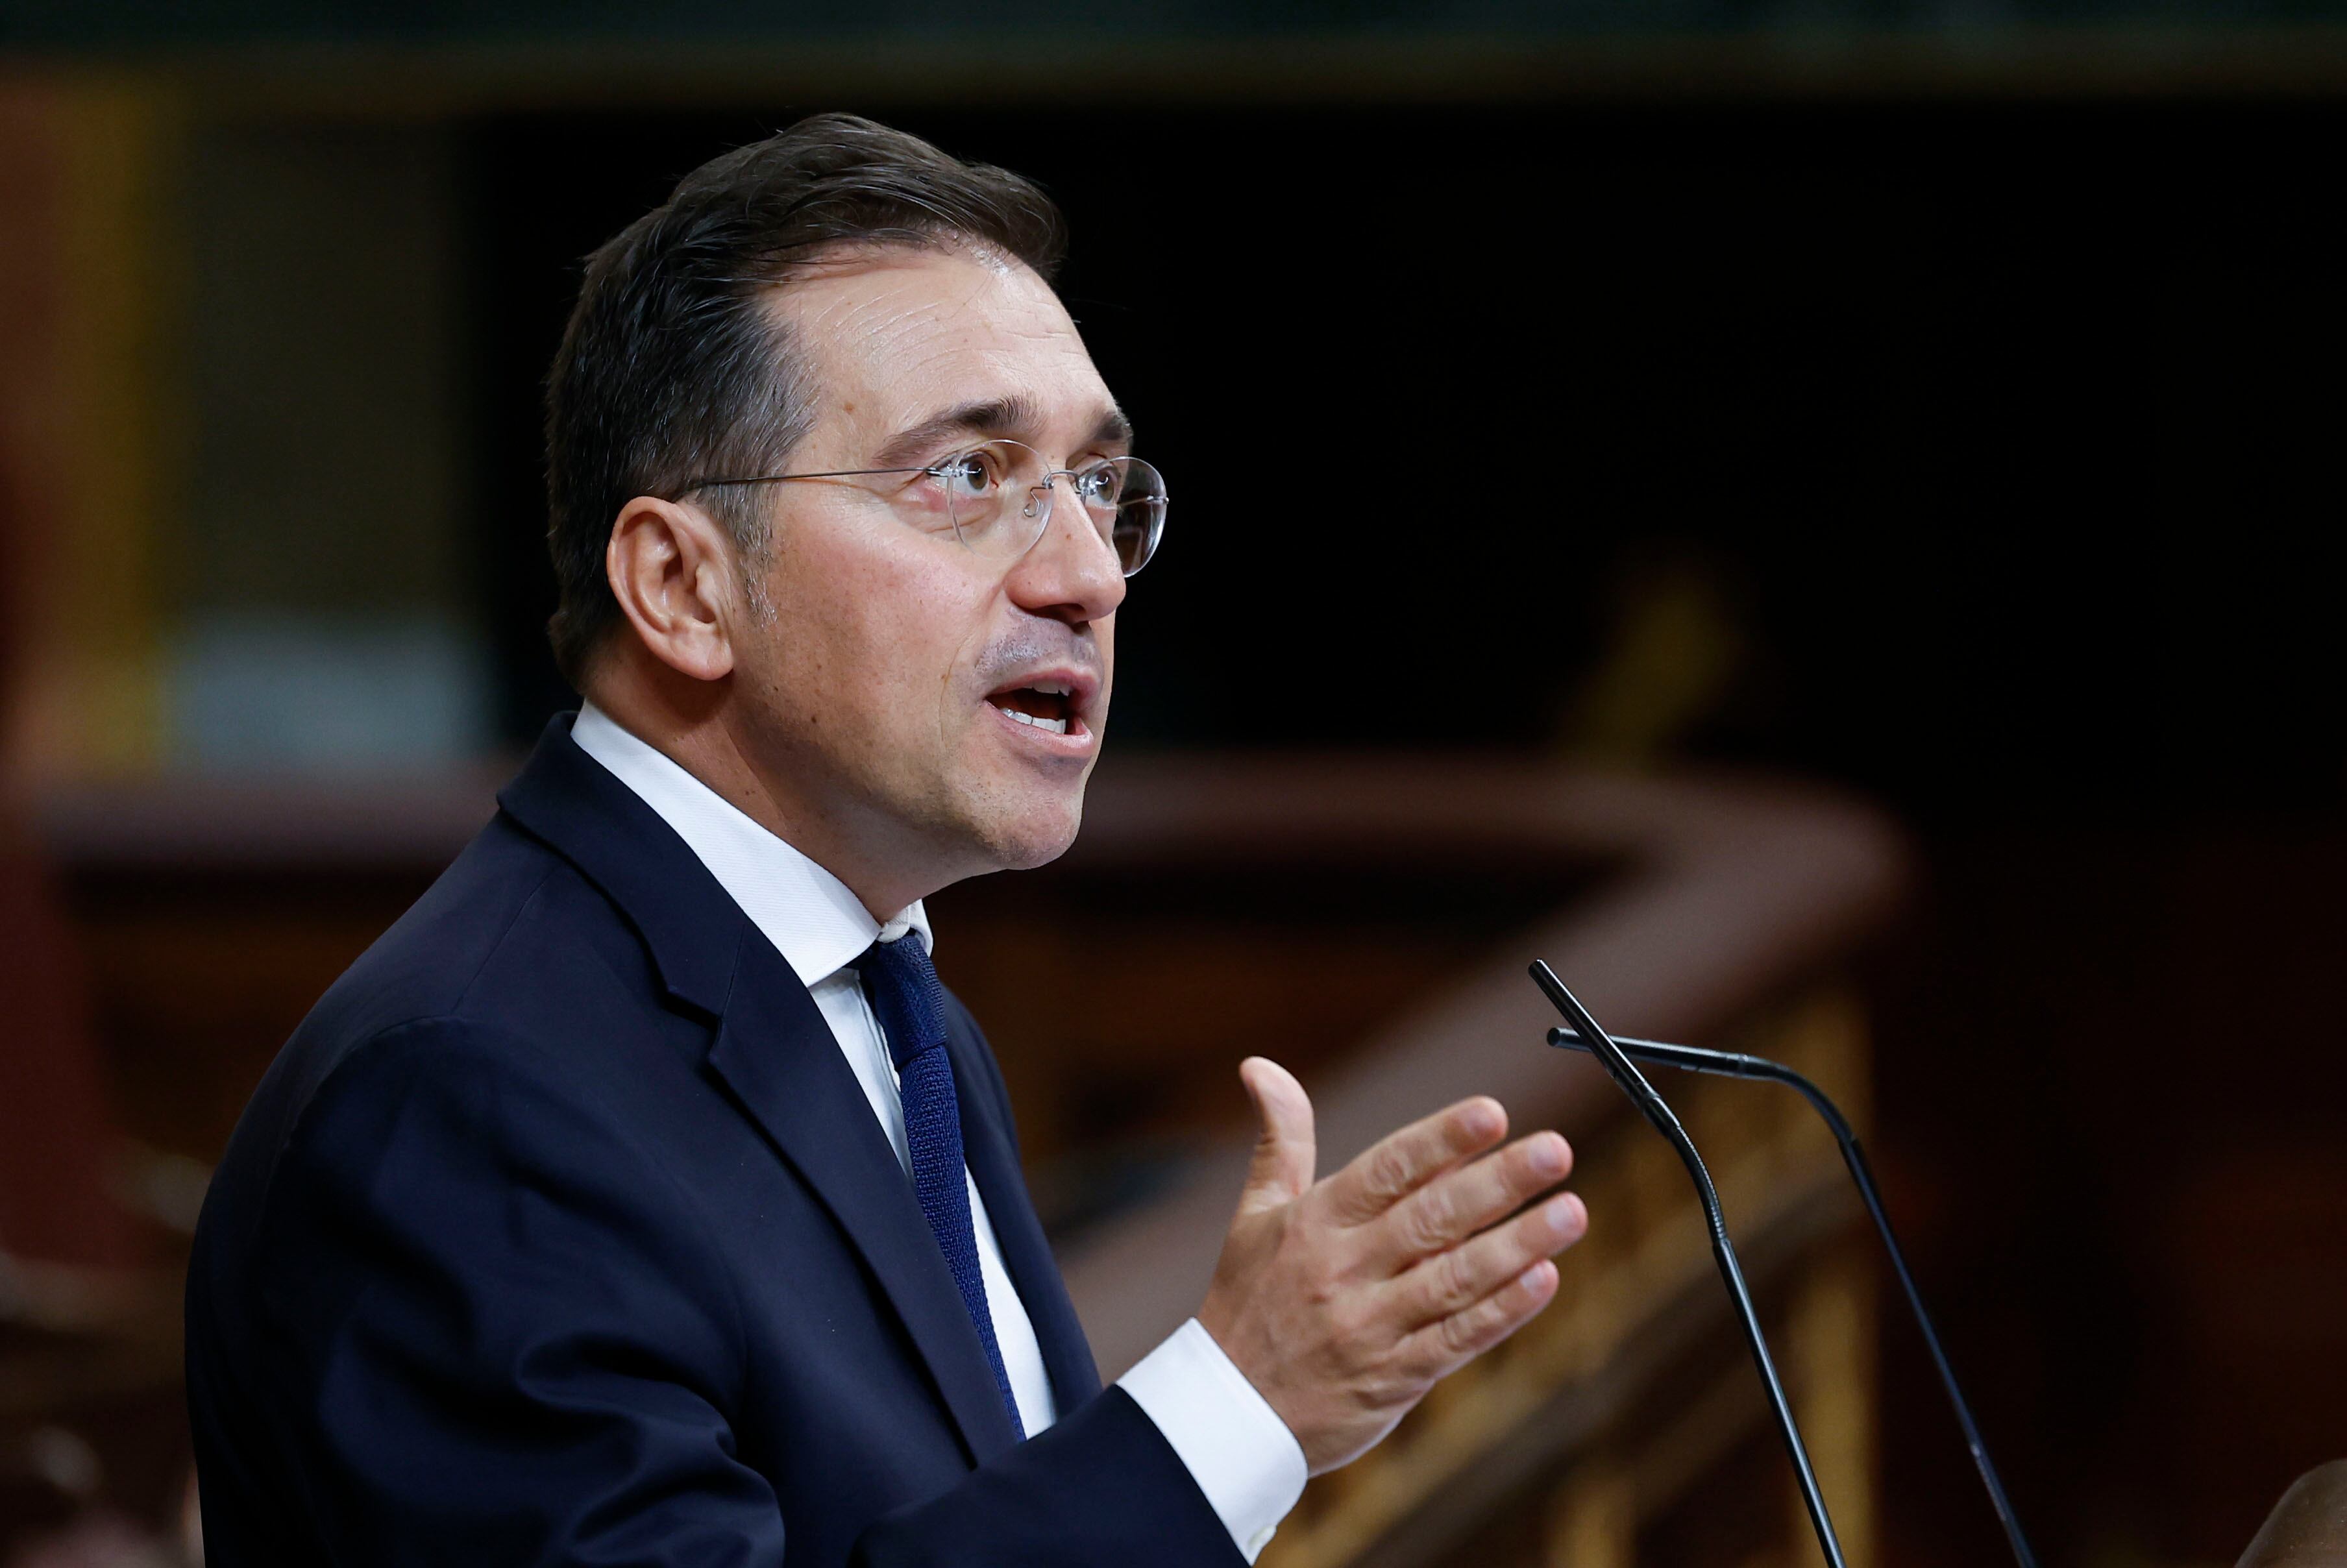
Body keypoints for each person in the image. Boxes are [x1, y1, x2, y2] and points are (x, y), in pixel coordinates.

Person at [184, 114, 1591, 1567]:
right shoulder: (465, 1097)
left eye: (1098, 487)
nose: (1087, 574)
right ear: (681, 585)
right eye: (968, 477)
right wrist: (1236, 1406)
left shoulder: (894, 1005)